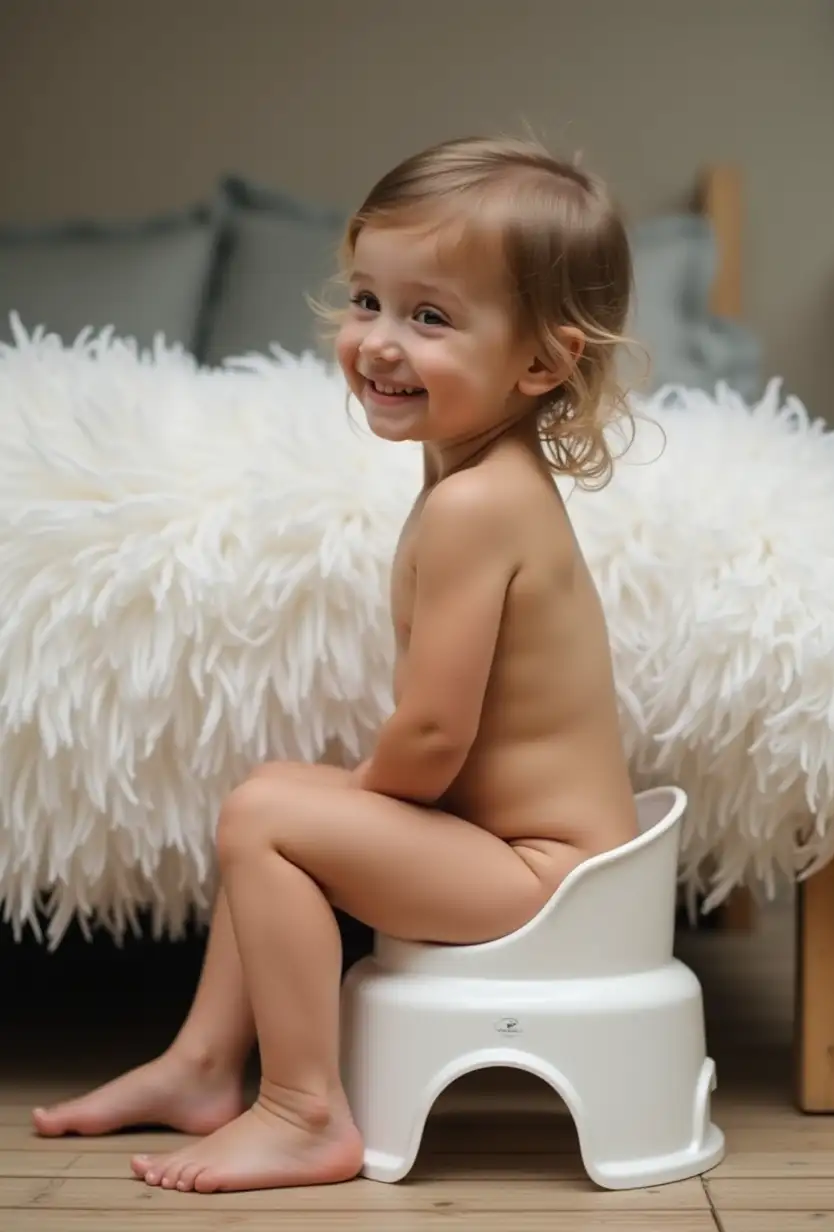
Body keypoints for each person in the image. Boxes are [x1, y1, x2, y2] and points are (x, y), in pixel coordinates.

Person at [32, 135, 642, 1193]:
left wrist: (346, 805)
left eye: (430, 316)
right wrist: (331, 804)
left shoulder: (474, 504)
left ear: (542, 362)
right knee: (275, 797)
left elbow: (436, 733)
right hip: (538, 857)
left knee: (269, 813)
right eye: (367, 299)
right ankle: (202, 1063)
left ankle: (302, 1107)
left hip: (550, 878)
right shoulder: (480, 476)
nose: (378, 342)